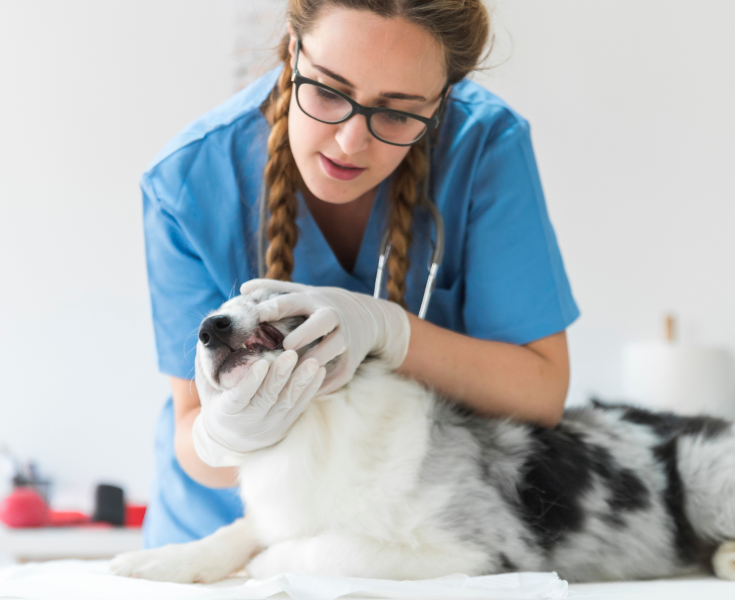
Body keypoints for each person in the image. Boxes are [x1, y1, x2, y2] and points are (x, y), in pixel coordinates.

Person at [141, 0, 579, 549]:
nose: (351, 142)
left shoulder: (484, 146)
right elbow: (191, 432)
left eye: (398, 112)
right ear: (293, 51)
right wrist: (220, 438)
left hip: (401, 535)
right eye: (327, 90)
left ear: (441, 102)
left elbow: (539, 392)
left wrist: (391, 331)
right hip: (220, 542)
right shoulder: (188, 180)